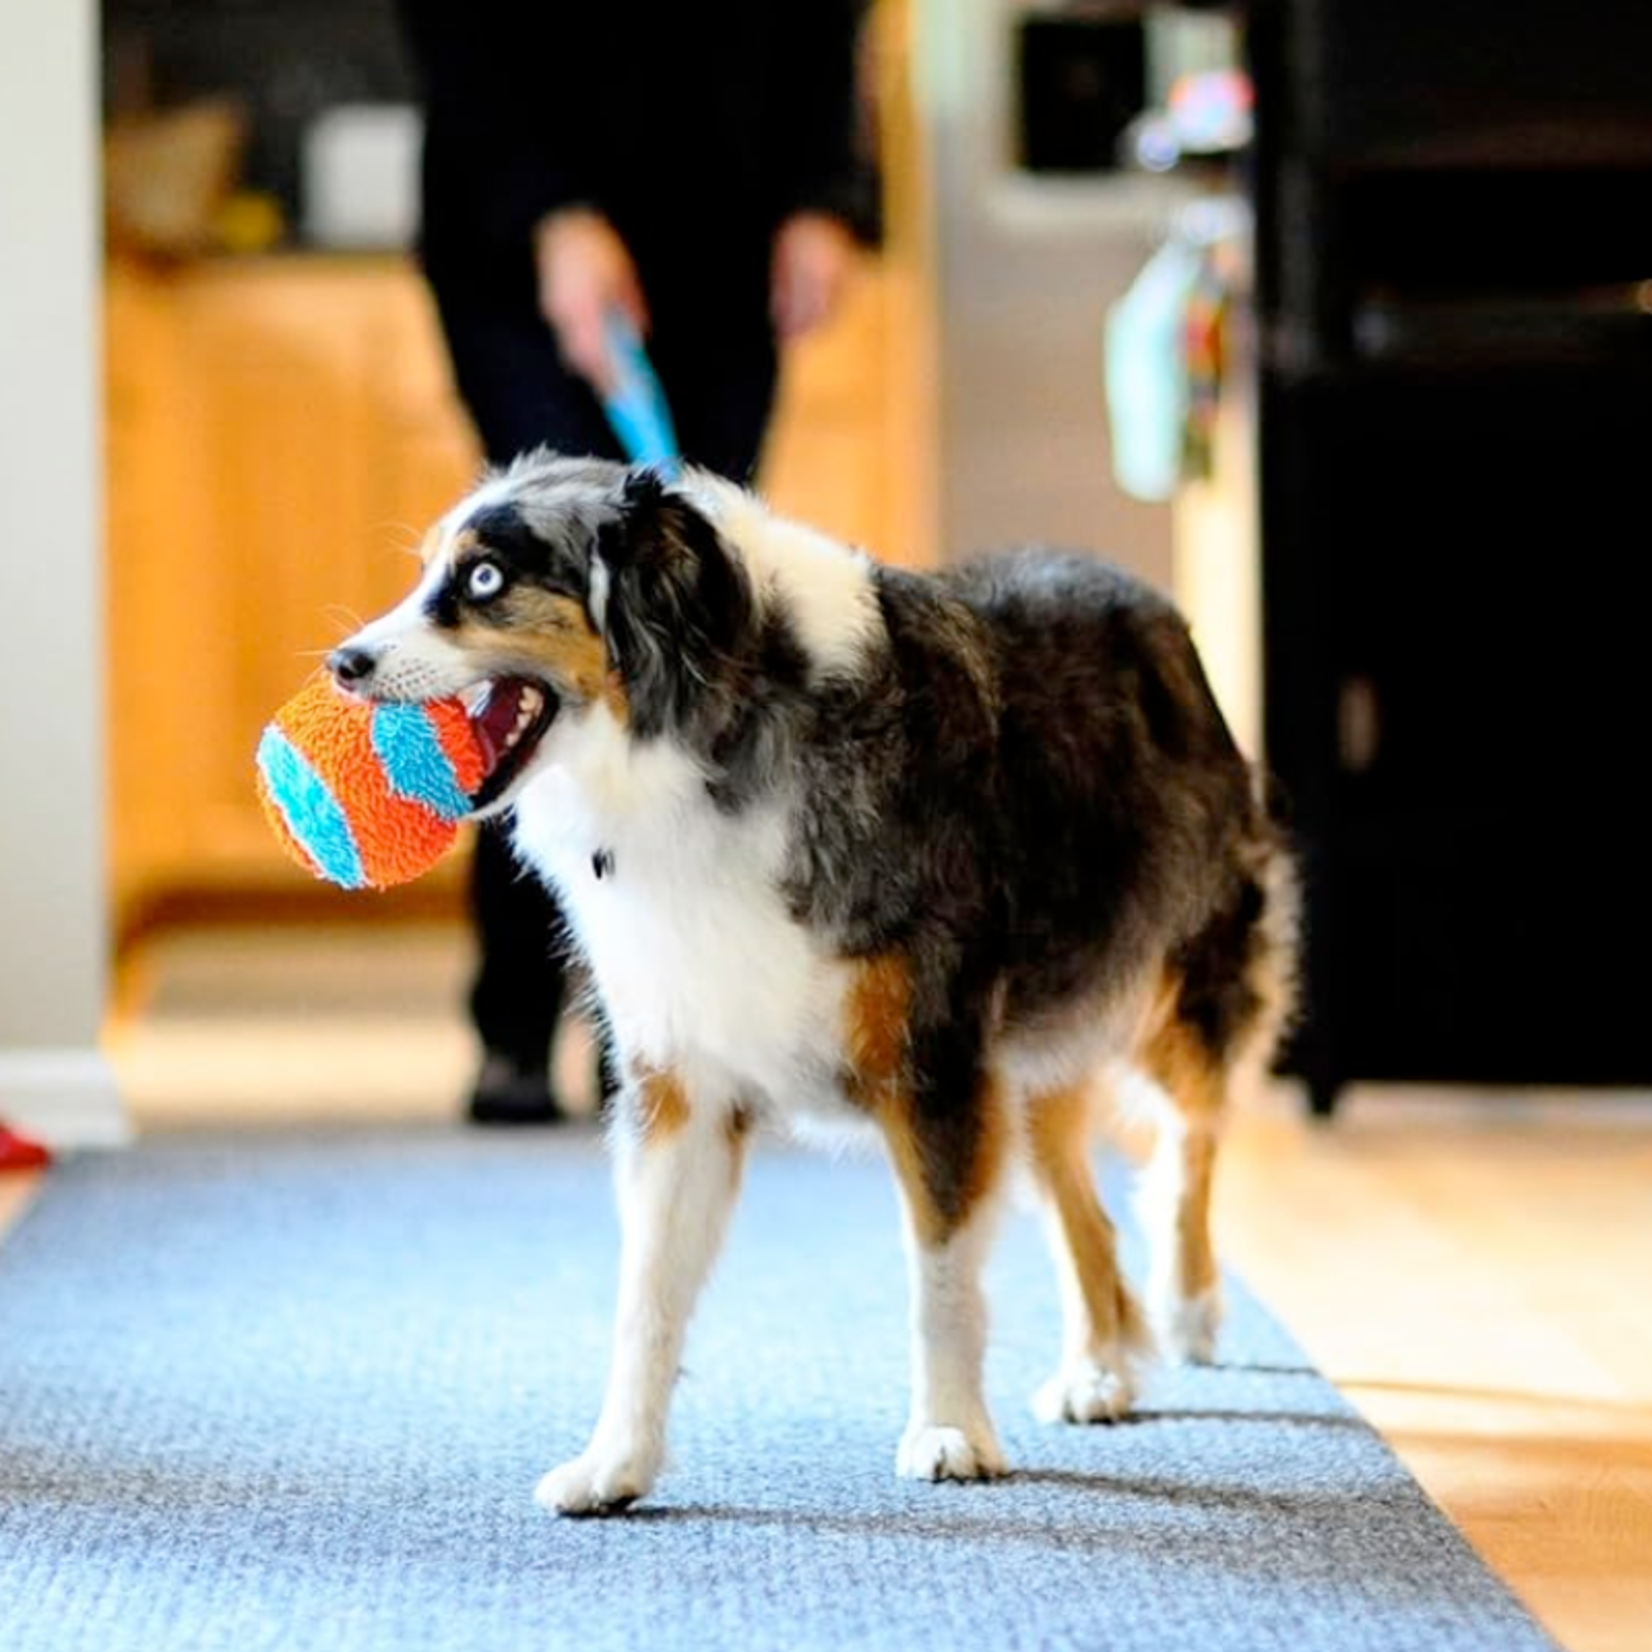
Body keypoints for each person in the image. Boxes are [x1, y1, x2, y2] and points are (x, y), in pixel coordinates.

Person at [395, 2, 877, 1124]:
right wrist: (548, 216)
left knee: (686, 629)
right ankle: (516, 1011)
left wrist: (823, 195)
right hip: (513, 238)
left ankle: (657, 1025)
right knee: (530, 611)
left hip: (723, 231)